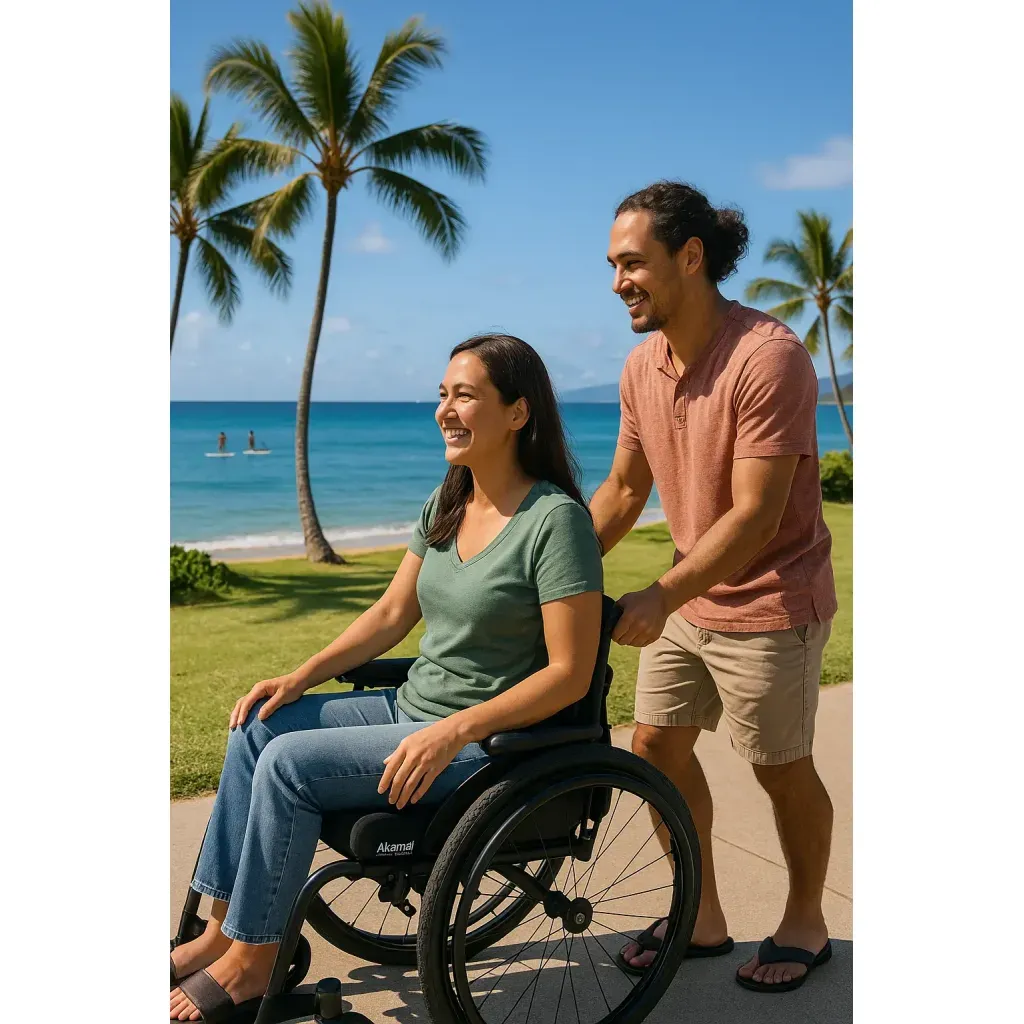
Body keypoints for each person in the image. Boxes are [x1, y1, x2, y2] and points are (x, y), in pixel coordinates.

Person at [170, 334, 604, 1022]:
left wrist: (453, 730)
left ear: (518, 413)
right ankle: (222, 937)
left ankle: (254, 966)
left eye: (465, 395)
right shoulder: (448, 501)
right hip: (412, 708)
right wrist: (298, 677)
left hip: (482, 744)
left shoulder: (556, 522)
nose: (445, 410)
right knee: (260, 726)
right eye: (443, 394)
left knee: (286, 765)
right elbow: (391, 614)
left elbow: (569, 674)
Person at [592, 181, 837, 993]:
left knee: (779, 765)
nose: (619, 280)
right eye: (613, 265)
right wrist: (548, 569)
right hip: (692, 598)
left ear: (689, 257)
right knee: (656, 747)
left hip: (771, 598)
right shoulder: (641, 366)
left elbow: (756, 516)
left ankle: (807, 918)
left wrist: (659, 594)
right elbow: (625, 491)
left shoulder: (768, 357)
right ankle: (701, 915)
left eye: (633, 263)